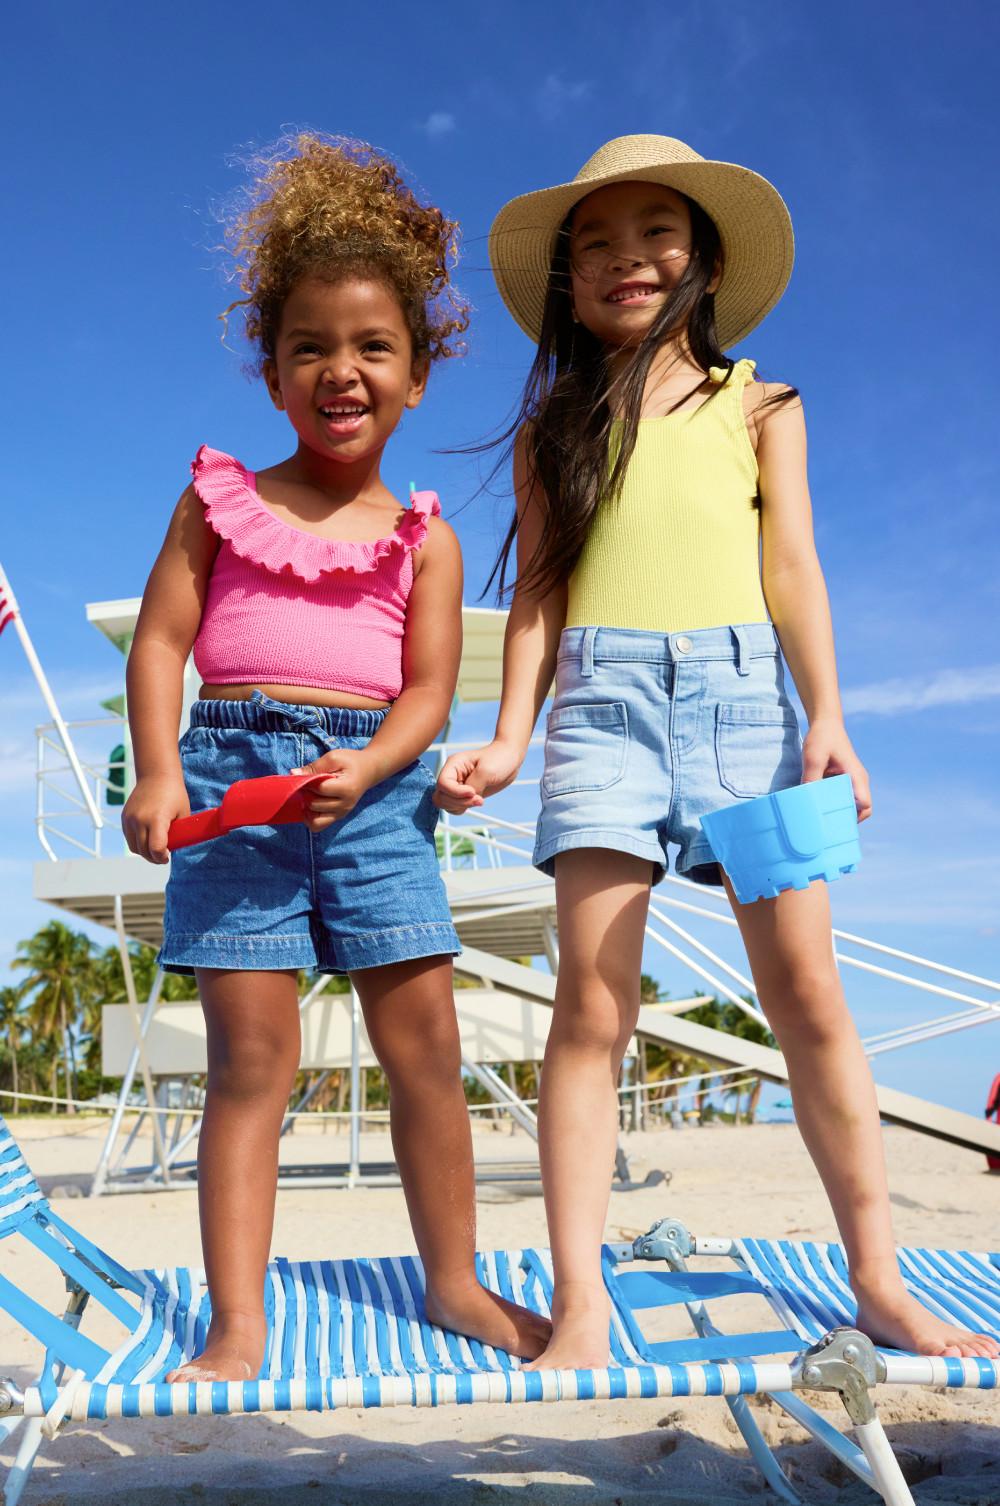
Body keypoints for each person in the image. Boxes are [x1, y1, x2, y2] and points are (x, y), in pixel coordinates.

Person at [437, 134, 999, 1368]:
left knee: (808, 999)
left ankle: (878, 1283)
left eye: (652, 234)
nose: (624, 260)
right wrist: (509, 735)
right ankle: (581, 1303)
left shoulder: (763, 403)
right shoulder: (551, 435)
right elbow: (537, 598)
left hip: (751, 710)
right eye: (593, 245)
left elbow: (792, 566)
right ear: (565, 281)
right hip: (603, 710)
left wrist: (829, 717)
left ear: (701, 256)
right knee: (592, 1004)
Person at [122, 133, 550, 1381]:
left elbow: (424, 692)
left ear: (418, 376)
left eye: (373, 348)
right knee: (252, 1062)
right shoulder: (217, 502)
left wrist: (372, 771)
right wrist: (157, 769)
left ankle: (456, 1284)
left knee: (427, 1054)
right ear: (270, 371)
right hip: (233, 787)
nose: (340, 370)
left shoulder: (423, 541)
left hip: (374, 793)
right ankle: (238, 1319)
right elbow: (159, 643)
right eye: (310, 346)